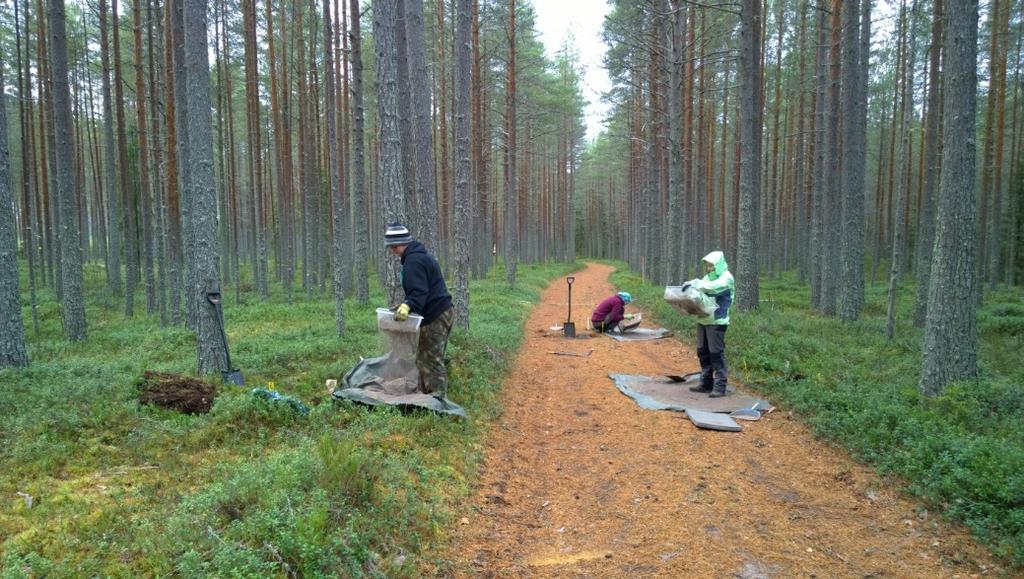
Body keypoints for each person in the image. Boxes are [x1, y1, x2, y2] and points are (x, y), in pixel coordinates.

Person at [386, 223, 455, 401]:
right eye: (390, 246)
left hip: (436, 315)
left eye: (395, 246)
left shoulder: (413, 261)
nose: (393, 250)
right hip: (441, 312)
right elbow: (422, 289)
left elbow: (419, 292)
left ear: (404, 242)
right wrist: (405, 304)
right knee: (424, 357)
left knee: (431, 360)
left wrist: (408, 305)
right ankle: (426, 395)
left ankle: (438, 401)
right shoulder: (417, 257)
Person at [686, 251, 734, 398]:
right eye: (707, 265)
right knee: (702, 352)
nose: (708, 268)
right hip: (703, 319)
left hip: (717, 321)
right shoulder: (707, 277)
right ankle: (706, 382)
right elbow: (700, 291)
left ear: (718, 265)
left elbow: (713, 288)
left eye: (711, 265)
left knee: (716, 354)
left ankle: (720, 386)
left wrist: (696, 284)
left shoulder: (727, 278)